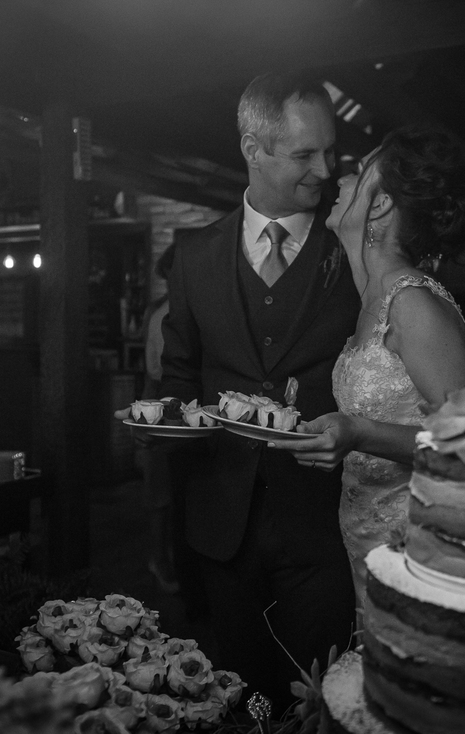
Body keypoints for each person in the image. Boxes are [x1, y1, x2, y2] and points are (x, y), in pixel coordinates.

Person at [155, 73, 361, 709]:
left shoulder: (350, 249)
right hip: (222, 525)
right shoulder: (195, 256)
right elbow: (180, 377)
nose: (324, 170)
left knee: (318, 702)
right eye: (304, 154)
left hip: (322, 526)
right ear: (253, 149)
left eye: (329, 151)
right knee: (236, 698)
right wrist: (164, 440)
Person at [275, 125, 465, 606]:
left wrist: (360, 432)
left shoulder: (413, 303)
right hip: (365, 543)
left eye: (357, 172)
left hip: (416, 549)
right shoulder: (371, 298)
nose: (339, 179)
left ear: (382, 203)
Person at [136, 245, 179, 594]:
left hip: (165, 396)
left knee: (170, 492)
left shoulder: (166, 308)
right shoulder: (165, 312)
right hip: (164, 401)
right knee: (161, 492)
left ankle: (169, 560)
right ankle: (159, 559)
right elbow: (159, 369)